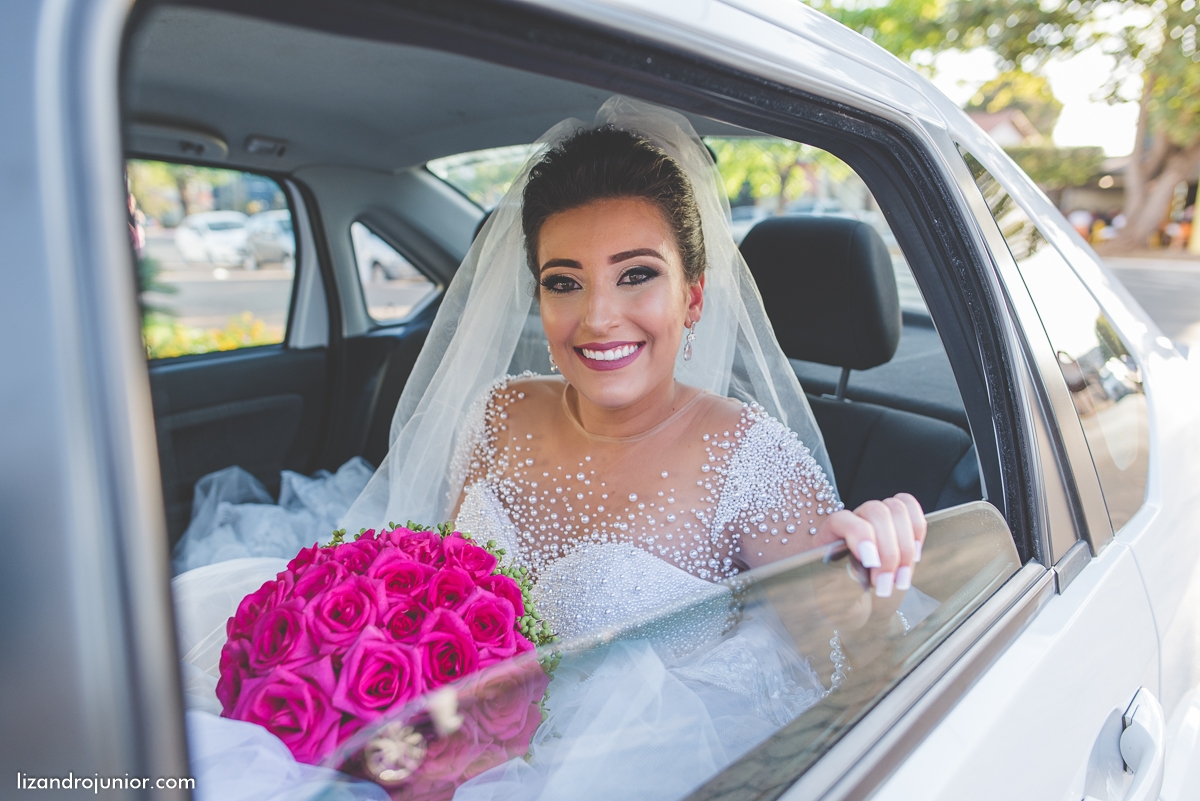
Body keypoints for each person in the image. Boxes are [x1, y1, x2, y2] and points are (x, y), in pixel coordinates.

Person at [172, 97, 929, 801]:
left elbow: (850, 670)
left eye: (637, 275)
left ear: (693, 296)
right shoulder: (498, 412)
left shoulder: (748, 459)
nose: (598, 317)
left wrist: (878, 571)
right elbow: (436, 591)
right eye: (564, 282)